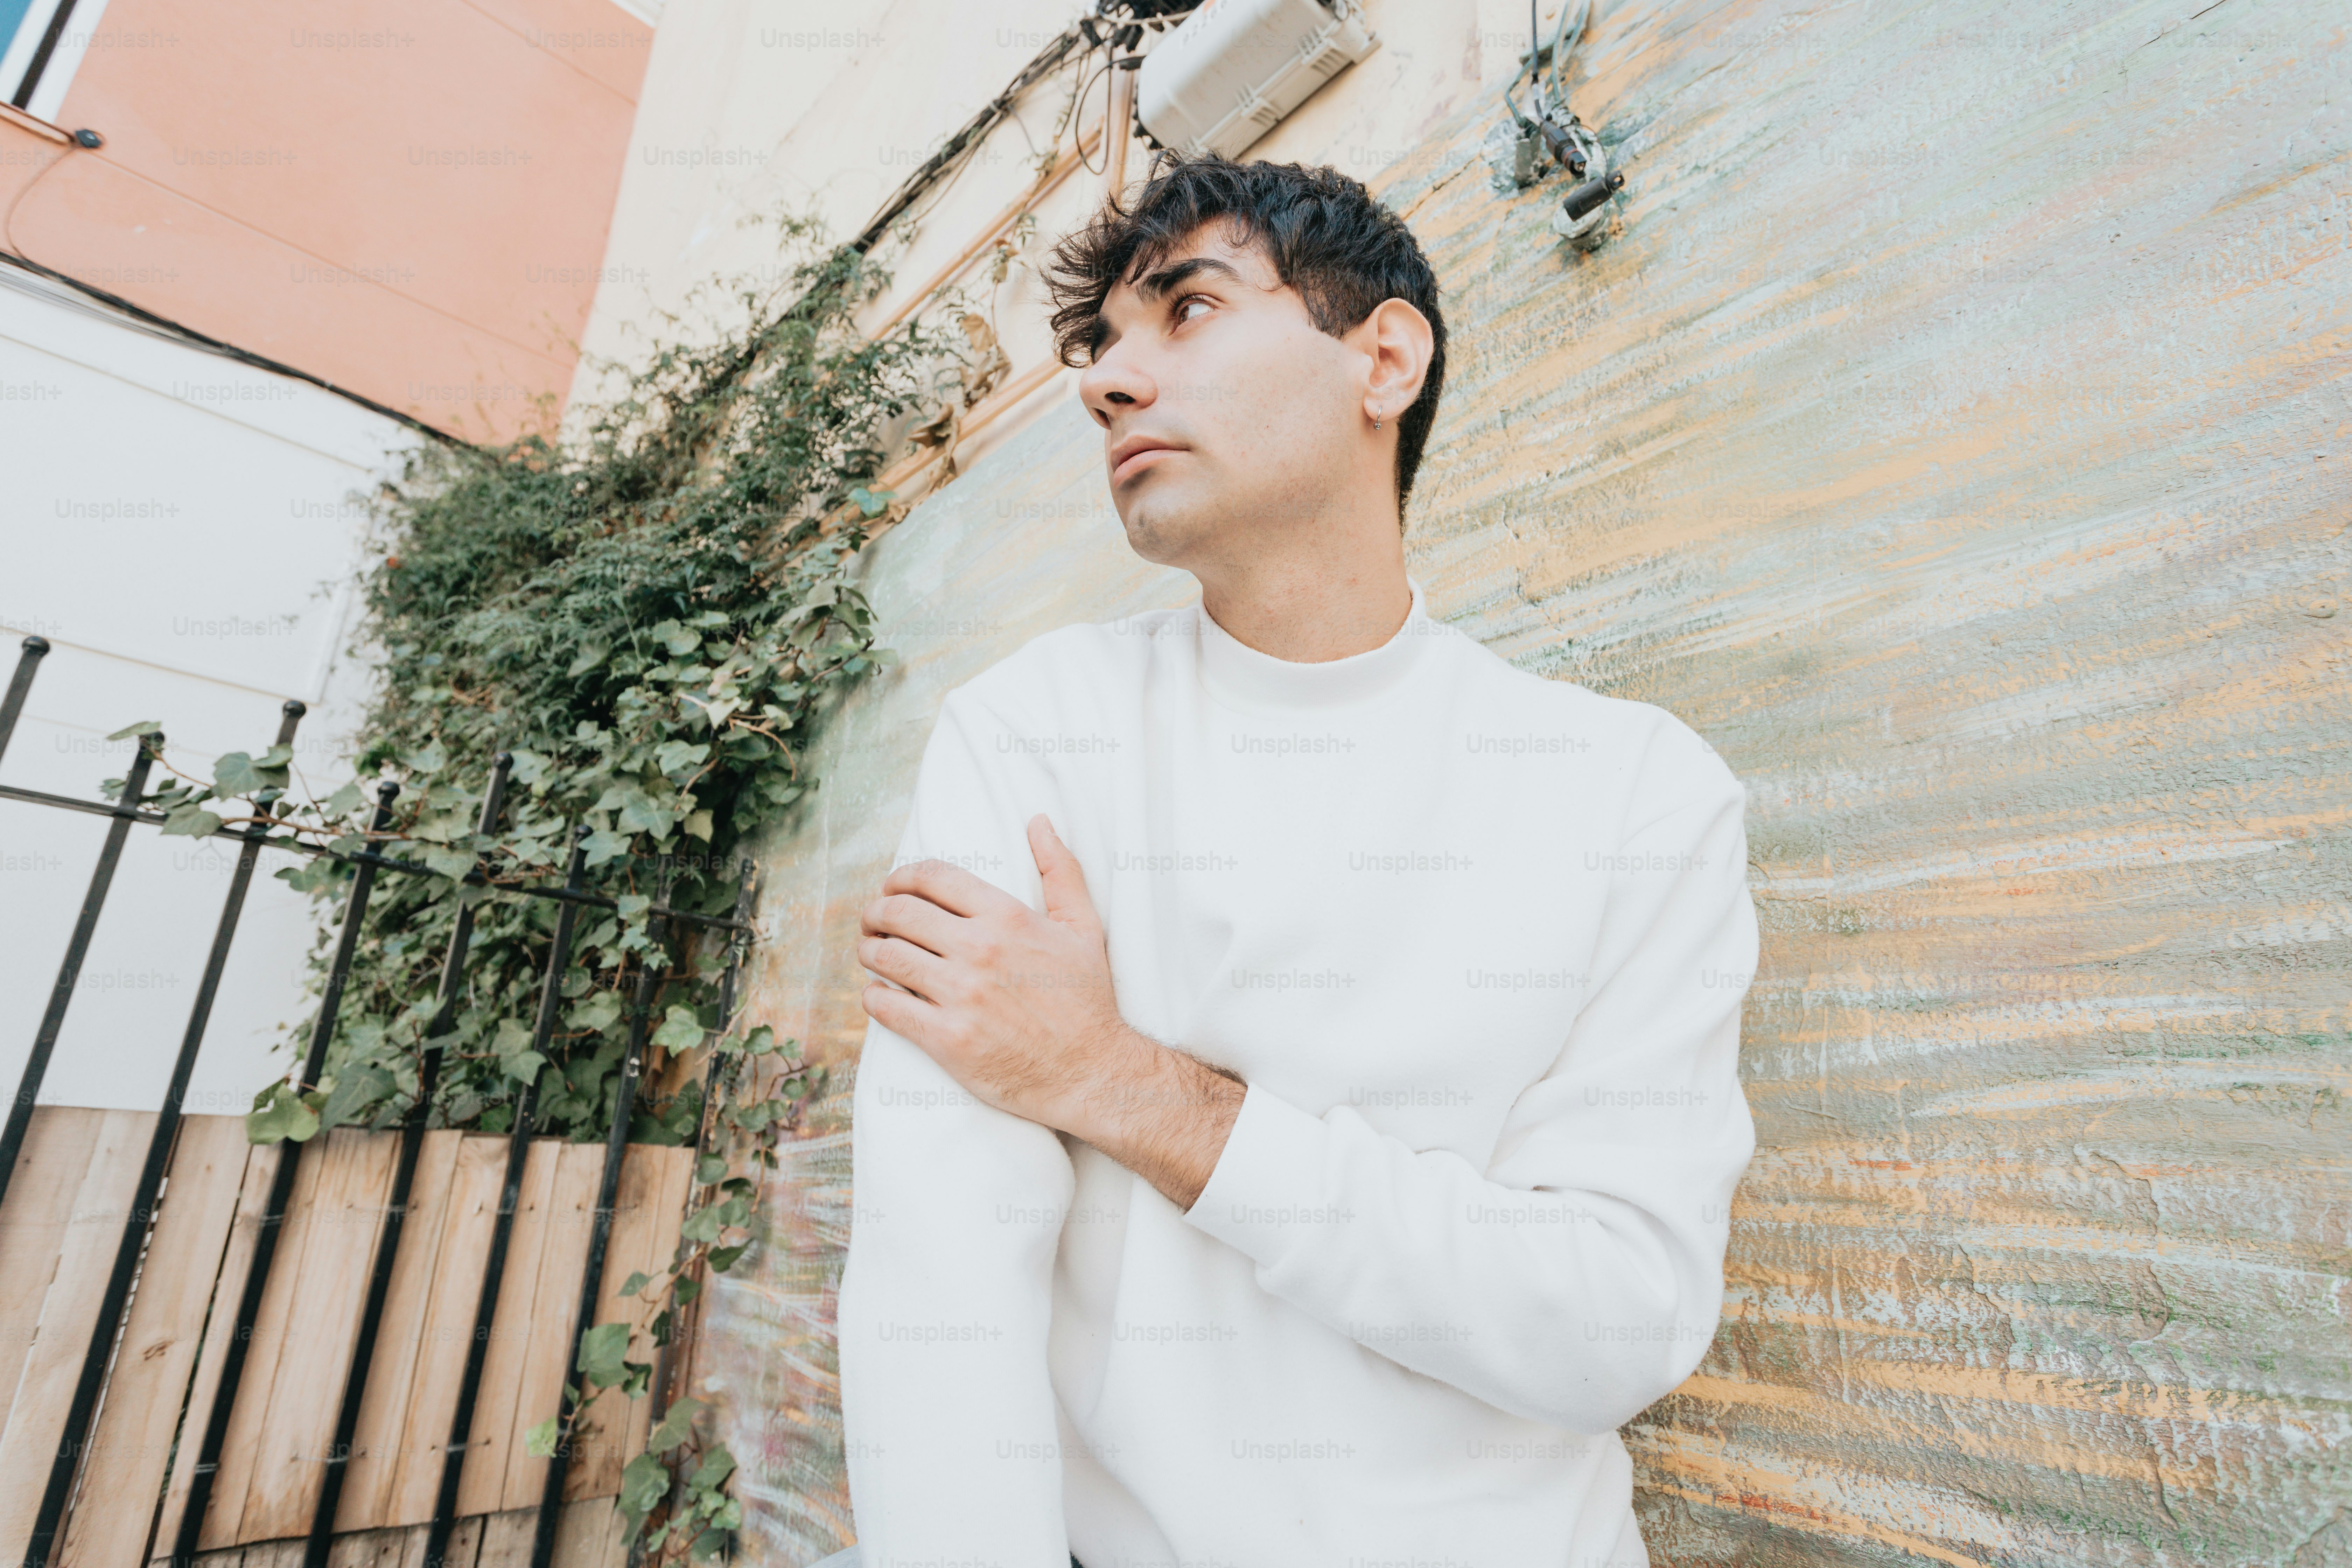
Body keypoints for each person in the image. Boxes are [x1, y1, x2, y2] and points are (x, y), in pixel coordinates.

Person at [819, 150, 1758, 1568]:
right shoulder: (1036, 736)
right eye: (1102, 344)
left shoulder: (1637, 793)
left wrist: (1131, 1084)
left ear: (1384, 357)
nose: (1106, 382)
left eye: (1186, 310)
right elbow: (939, 1297)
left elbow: (1614, 1320)